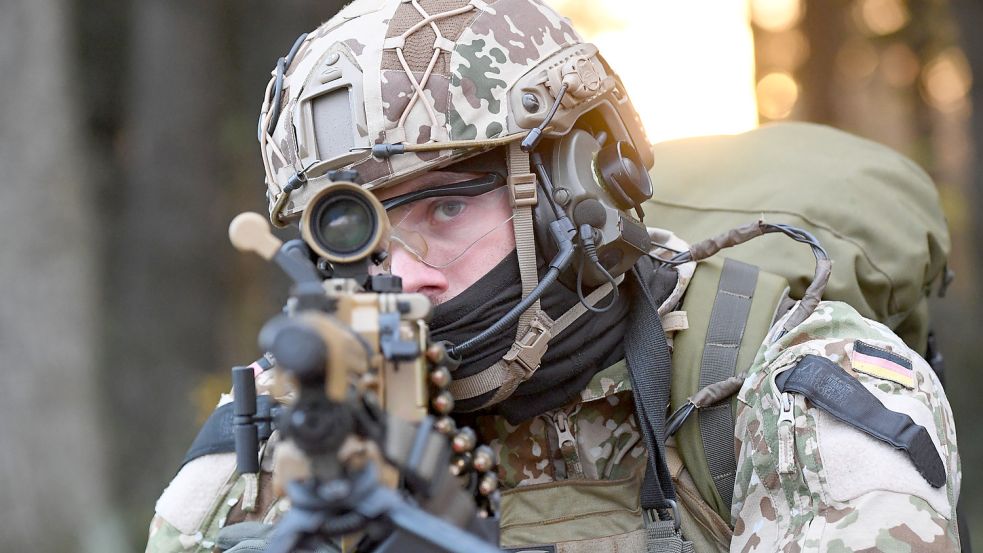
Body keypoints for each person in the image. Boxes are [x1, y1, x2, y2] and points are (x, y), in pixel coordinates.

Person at [145, 1, 962, 551]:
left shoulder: (787, 390)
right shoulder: (282, 435)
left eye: (442, 209)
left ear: (578, 188)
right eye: (358, 233)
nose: (403, 277)